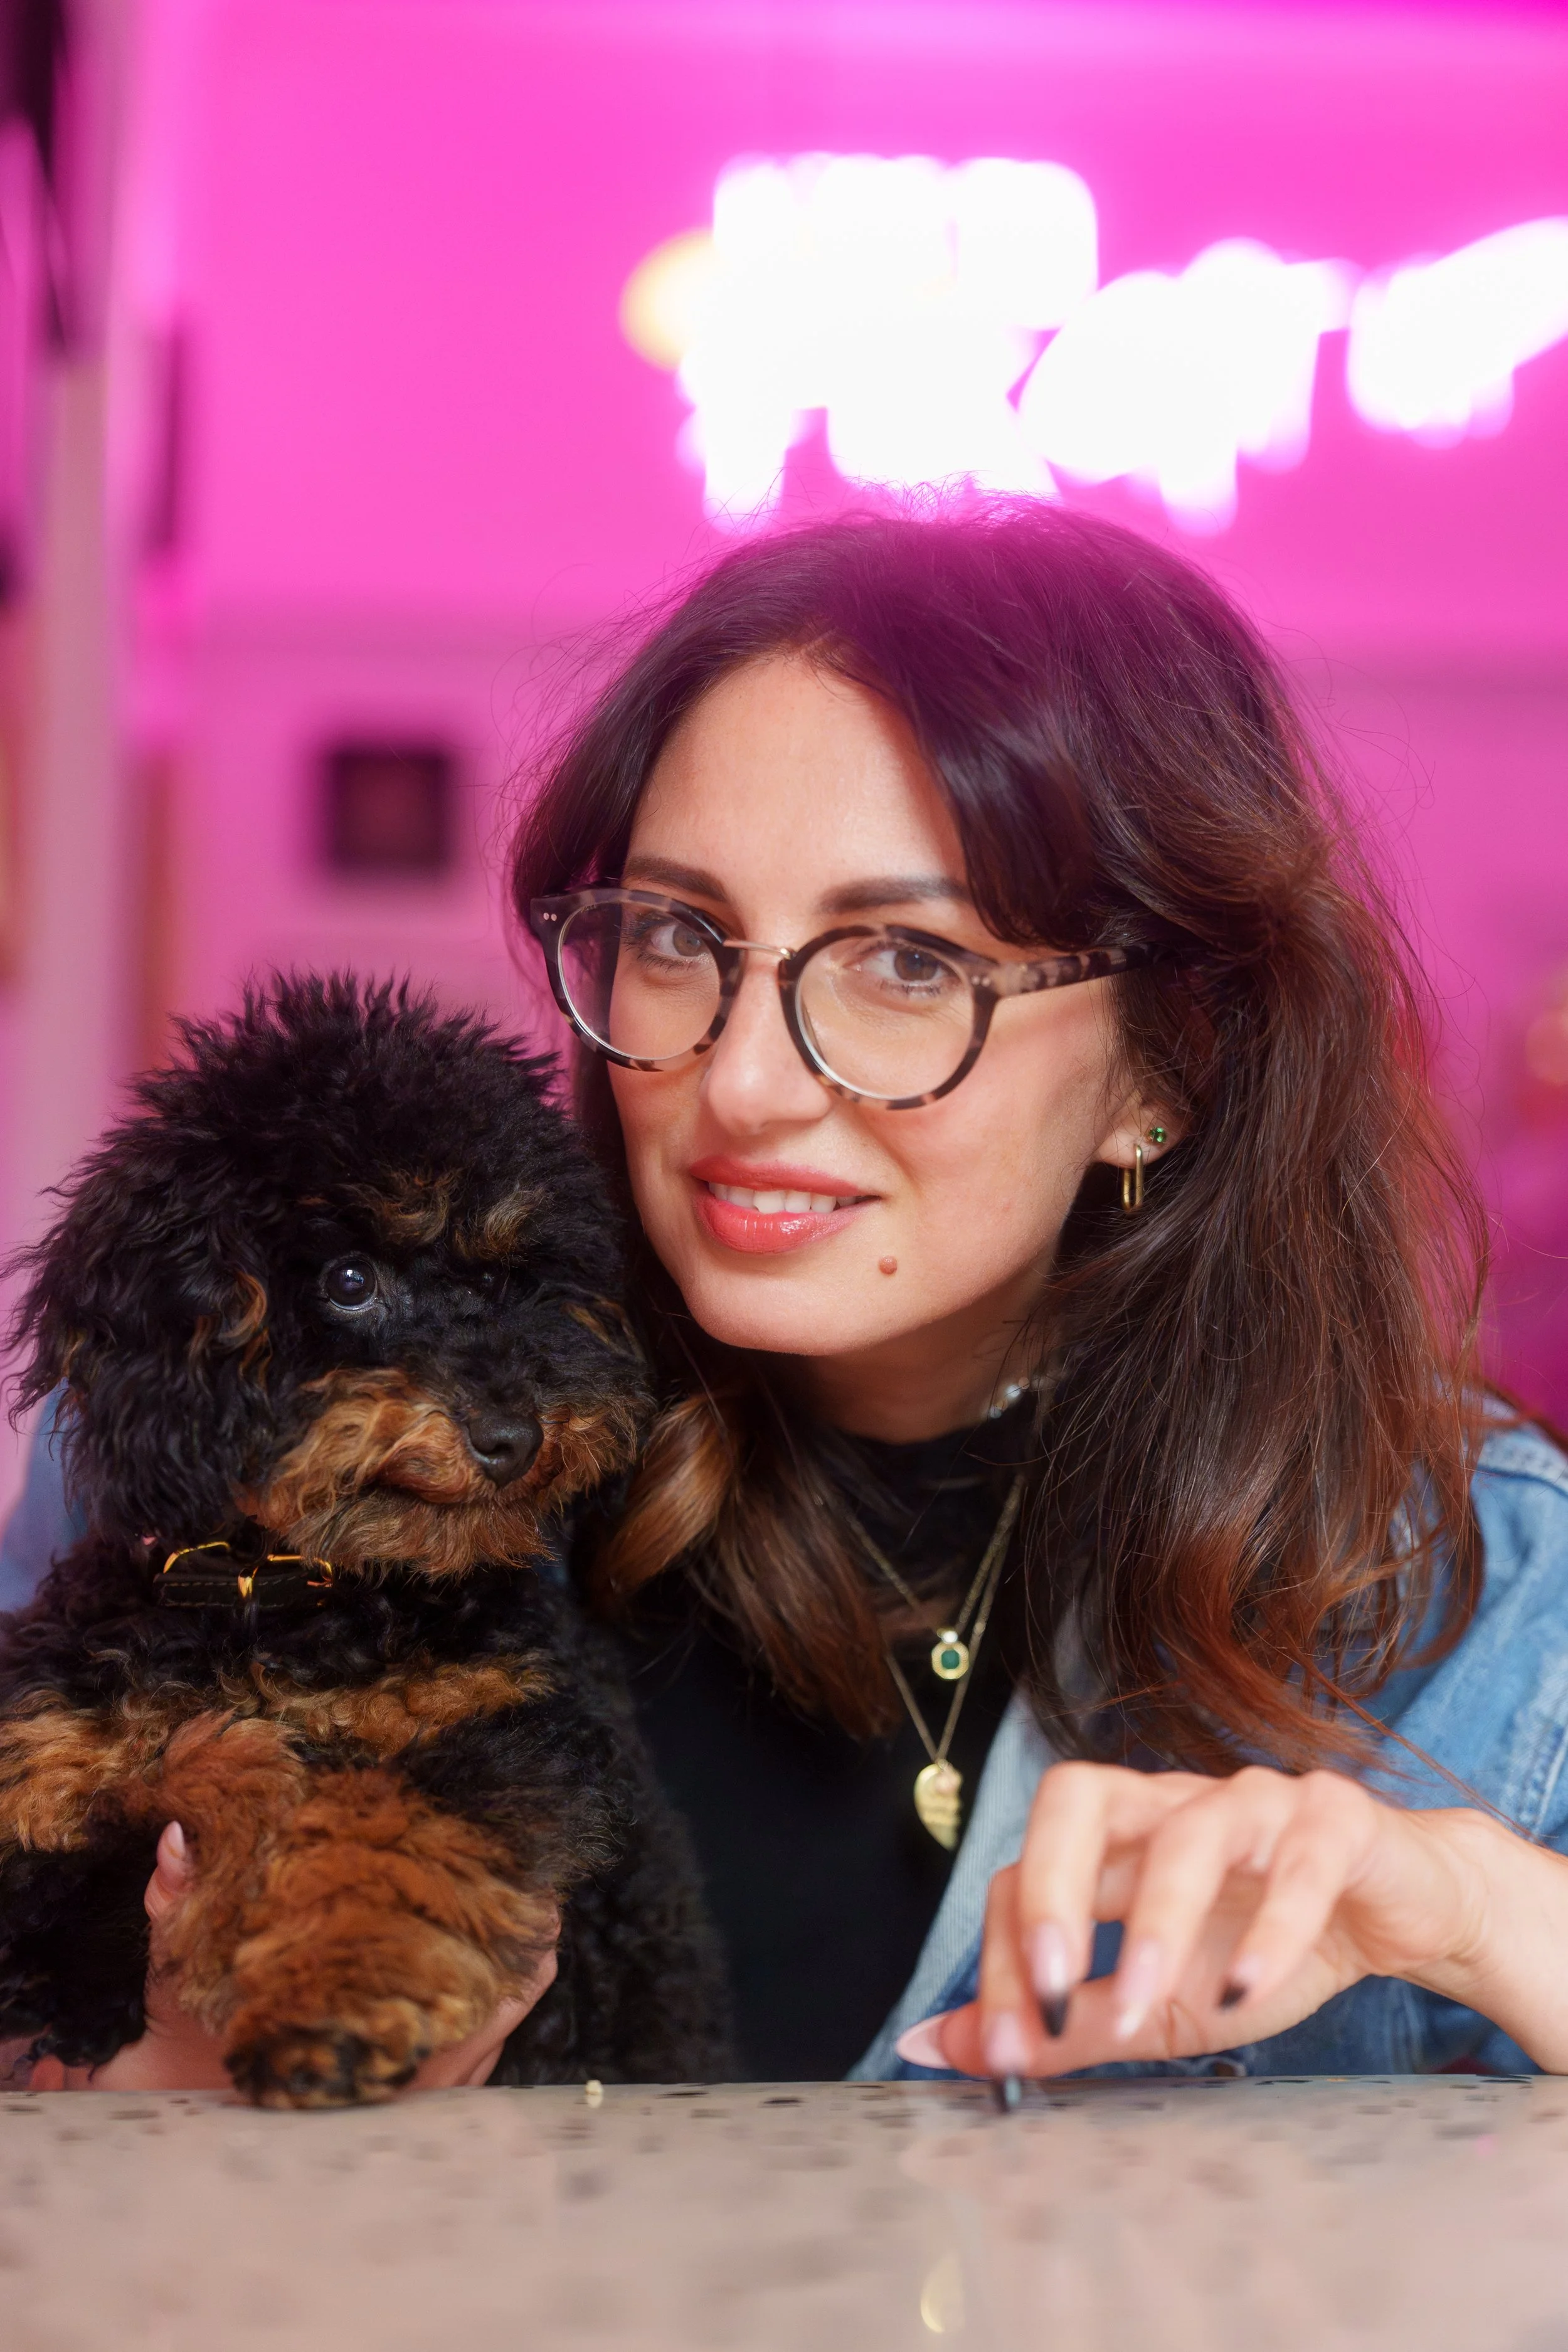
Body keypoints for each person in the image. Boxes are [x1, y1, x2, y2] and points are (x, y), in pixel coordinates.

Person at [7, 502, 1568, 2093]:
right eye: (680, 937)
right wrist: (159, 2099)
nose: (739, 1083)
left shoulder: (1478, 1587)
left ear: (1163, 1074)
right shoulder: (235, 1448)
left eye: (905, 964)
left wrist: (1479, 1918)